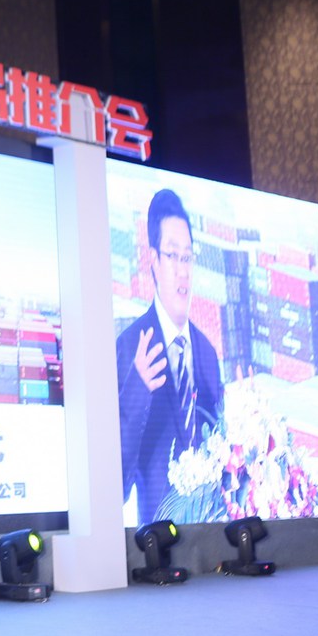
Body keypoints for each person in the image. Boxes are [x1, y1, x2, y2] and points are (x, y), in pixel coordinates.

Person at [116, 188, 223, 525]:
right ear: (154, 260)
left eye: (187, 257)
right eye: (173, 255)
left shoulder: (206, 353)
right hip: (156, 546)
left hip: (213, 541)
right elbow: (115, 487)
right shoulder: (129, 346)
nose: (183, 270)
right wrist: (138, 389)